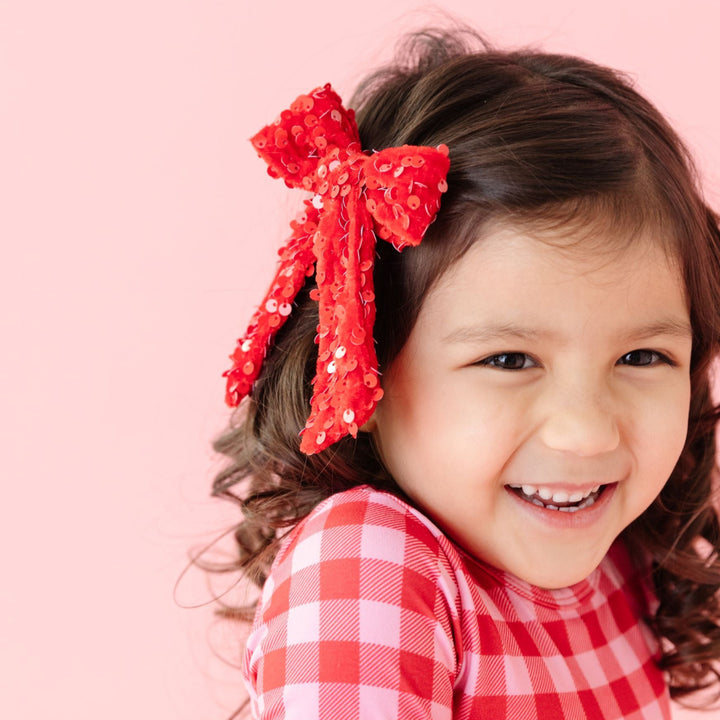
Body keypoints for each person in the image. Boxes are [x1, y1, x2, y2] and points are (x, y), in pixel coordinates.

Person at [211, 27, 720, 719]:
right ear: (364, 366)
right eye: (508, 360)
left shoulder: (618, 557)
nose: (586, 433)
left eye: (641, 357)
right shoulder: (372, 563)